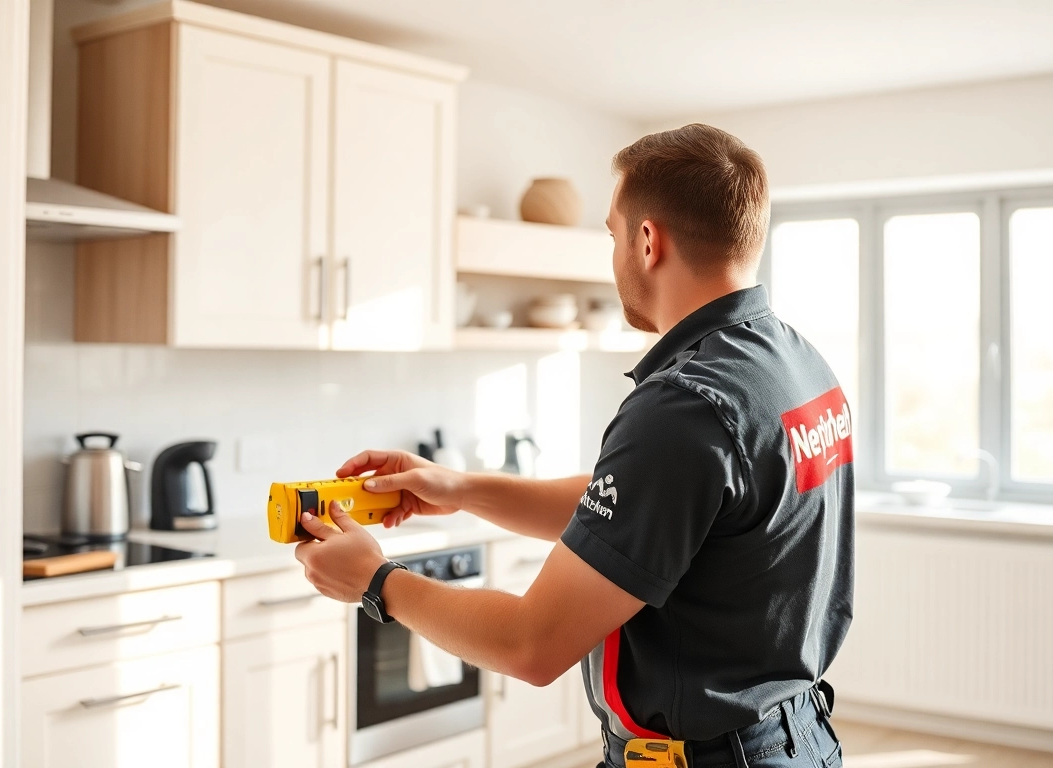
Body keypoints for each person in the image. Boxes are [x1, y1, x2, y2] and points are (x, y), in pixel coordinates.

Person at [295, 123, 854, 768]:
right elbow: (647, 517)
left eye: (613, 233)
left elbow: (531, 646)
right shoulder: (797, 365)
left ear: (648, 241)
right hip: (794, 740)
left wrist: (374, 581)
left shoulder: (684, 406)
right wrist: (459, 487)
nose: (612, 253)